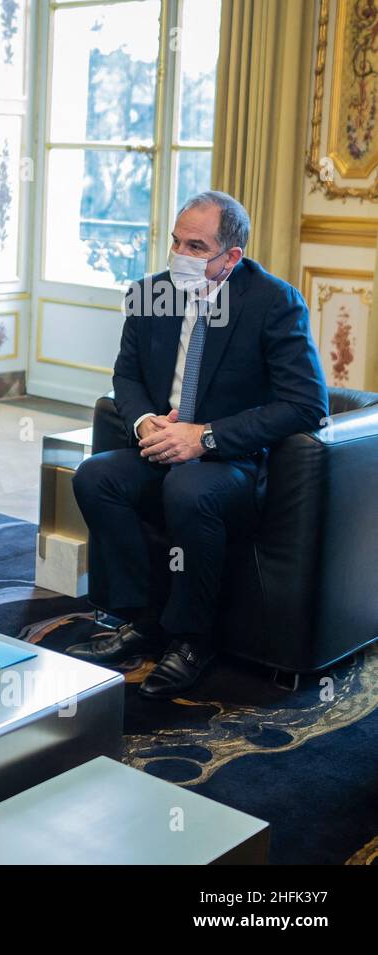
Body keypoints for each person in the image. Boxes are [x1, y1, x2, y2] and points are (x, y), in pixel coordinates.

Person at [66, 191, 329, 699]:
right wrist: (144, 423)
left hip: (231, 459)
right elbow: (127, 374)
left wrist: (203, 437)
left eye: (196, 245)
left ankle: (192, 640)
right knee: (95, 476)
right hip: (161, 443)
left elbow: (306, 403)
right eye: (176, 241)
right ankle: (143, 620)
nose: (179, 254)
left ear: (231, 257)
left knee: (187, 488)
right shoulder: (150, 293)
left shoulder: (272, 302)